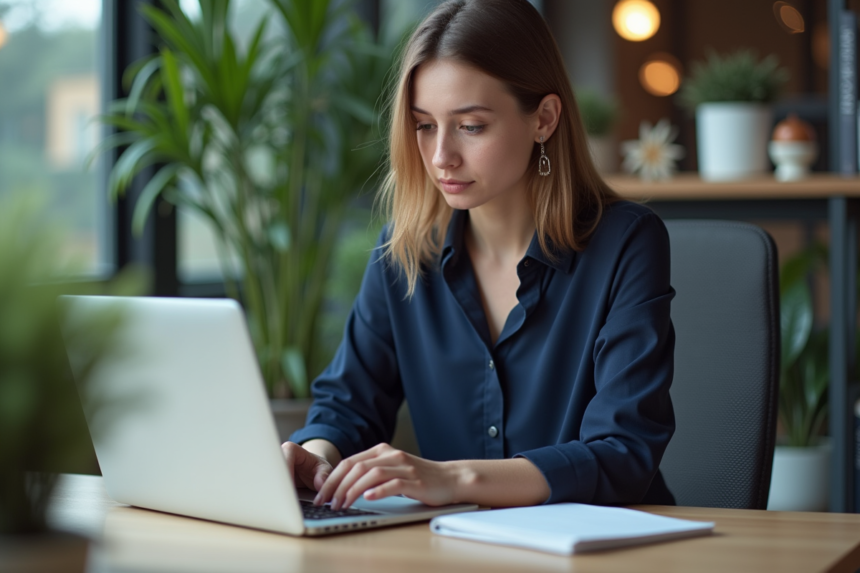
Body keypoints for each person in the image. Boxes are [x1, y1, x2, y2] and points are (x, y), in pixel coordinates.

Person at [283, 0, 676, 510]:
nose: (441, 155)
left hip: (615, 551)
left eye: (470, 126)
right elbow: (346, 404)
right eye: (424, 125)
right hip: (460, 551)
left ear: (544, 119)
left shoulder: (626, 244)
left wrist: (453, 479)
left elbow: (624, 452)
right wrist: (314, 458)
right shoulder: (403, 249)